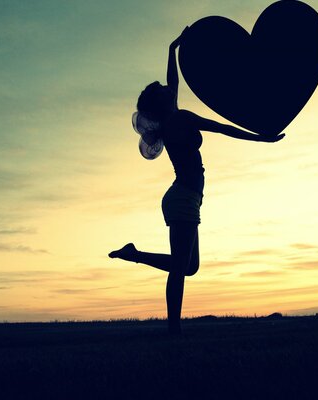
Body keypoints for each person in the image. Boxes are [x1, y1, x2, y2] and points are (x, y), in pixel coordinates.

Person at [109, 27, 285, 334]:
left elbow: (173, 82)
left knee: (189, 266)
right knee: (180, 268)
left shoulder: (170, 117)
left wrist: (172, 48)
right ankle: (174, 331)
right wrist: (261, 138)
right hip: (183, 197)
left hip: (187, 197)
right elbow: (221, 128)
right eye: (163, 90)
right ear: (161, 102)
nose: (169, 88)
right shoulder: (181, 119)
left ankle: (133, 254)